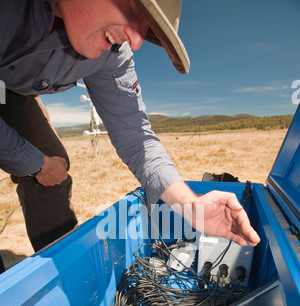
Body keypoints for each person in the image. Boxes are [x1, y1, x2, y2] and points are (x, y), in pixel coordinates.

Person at [0, 0, 260, 254]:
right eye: (134, 8)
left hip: (11, 93)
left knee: (55, 172)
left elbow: (136, 139)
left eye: (145, 28)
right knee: (46, 166)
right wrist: (34, 162)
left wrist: (190, 204)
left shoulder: (113, 55)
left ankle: (59, 268)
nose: (136, 41)